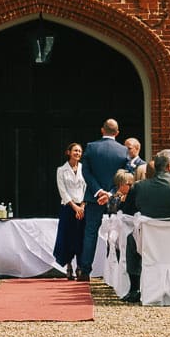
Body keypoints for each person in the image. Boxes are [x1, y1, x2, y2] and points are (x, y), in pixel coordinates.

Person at [120, 150, 170, 302]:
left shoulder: (140, 187)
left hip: (151, 242)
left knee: (131, 240)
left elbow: (128, 211)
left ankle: (135, 288)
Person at [80, 119, 128, 282]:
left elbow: (85, 172)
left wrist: (98, 191)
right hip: (115, 198)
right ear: (117, 133)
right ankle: (118, 271)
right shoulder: (123, 150)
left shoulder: (91, 147)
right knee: (118, 231)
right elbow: (125, 176)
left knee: (90, 233)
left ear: (102, 130)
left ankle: (85, 271)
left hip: (94, 197)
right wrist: (110, 192)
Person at [54, 142, 87, 278]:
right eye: (75, 151)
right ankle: (69, 266)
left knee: (80, 237)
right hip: (68, 207)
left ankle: (80, 266)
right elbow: (62, 191)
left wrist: (82, 206)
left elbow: (87, 188)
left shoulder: (84, 168)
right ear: (68, 152)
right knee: (68, 237)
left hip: (82, 207)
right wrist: (74, 207)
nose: (77, 153)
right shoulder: (61, 170)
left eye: (79, 151)